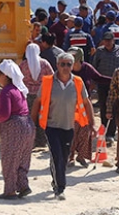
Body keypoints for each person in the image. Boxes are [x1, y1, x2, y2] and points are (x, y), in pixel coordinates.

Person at [31, 53, 92, 200]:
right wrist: (32, 124)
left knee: (63, 158)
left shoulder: (78, 82)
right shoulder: (47, 82)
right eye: (62, 64)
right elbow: (37, 102)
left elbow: (86, 102)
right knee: (56, 155)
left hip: (69, 127)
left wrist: (92, 122)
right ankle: (60, 188)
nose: (65, 67)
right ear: (57, 65)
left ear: (72, 66)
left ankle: (56, 181)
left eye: (68, 64)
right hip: (51, 126)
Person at [0, 59, 35, 200]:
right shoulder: (19, 90)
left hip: (14, 127)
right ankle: (23, 186)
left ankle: (10, 191)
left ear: (4, 75)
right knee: (23, 159)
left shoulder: (7, 91)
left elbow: (4, 114)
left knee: (10, 159)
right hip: (27, 126)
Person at [67, 47, 105, 167]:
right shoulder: (65, 73)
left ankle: (81, 156)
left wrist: (113, 80)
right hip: (69, 107)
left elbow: (99, 78)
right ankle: (69, 157)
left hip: (83, 104)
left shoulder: (86, 69)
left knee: (85, 131)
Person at [91, 32, 119, 145]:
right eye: (105, 41)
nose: (107, 43)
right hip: (102, 84)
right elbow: (94, 66)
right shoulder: (100, 51)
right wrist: (94, 82)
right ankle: (104, 129)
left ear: (113, 41)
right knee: (103, 107)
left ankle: (111, 133)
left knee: (114, 107)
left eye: (109, 41)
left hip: (116, 83)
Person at [19, 43, 54, 147]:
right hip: (42, 94)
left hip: (27, 95)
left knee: (29, 118)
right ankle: (41, 141)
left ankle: (31, 140)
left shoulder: (23, 64)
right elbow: (52, 77)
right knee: (42, 117)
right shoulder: (44, 63)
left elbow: (18, 78)